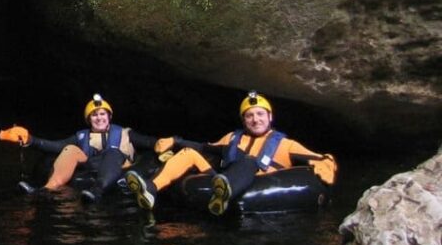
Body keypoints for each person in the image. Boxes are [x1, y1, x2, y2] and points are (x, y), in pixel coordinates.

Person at [124, 91, 338, 216]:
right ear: (244, 120)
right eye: (250, 116)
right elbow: (204, 148)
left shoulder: (286, 144)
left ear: (270, 117)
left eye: (260, 114)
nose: (255, 119)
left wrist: (327, 163)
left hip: (259, 181)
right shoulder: (232, 138)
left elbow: (320, 158)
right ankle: (151, 189)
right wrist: (177, 141)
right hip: (222, 180)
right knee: (188, 153)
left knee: (250, 161)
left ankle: (225, 194)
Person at [17, 93, 162, 202]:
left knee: (112, 151)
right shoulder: (81, 136)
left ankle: (97, 191)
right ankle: (46, 189)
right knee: (70, 149)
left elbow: (150, 142)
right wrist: (31, 140)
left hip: (119, 165)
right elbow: (56, 146)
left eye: (102, 114)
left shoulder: (126, 133)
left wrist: (165, 144)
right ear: (88, 119)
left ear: (109, 116)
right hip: (92, 166)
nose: (99, 118)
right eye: (94, 115)